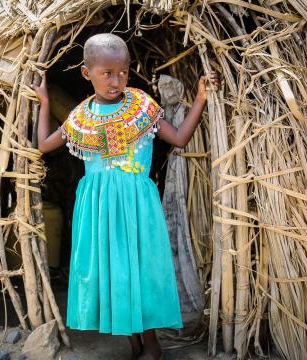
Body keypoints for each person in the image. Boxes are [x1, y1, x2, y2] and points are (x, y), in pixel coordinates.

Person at [33, 33, 219, 360]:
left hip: (136, 205)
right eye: (106, 73)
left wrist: (201, 99)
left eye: (123, 71)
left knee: (141, 270)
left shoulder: (141, 107)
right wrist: (46, 103)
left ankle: (152, 346)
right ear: (86, 74)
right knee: (114, 273)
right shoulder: (80, 118)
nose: (116, 80)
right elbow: (45, 145)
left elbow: (179, 138)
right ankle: (134, 345)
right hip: (98, 209)